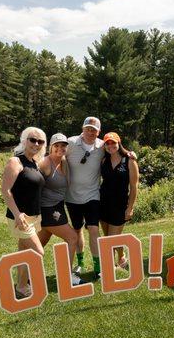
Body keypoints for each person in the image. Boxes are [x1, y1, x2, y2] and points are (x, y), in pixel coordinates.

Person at [1, 127, 46, 297]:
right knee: (37, 253)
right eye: (32, 140)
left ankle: (20, 286)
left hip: (34, 216)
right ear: (25, 140)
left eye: (40, 141)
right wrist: (17, 213)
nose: (36, 144)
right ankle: (22, 285)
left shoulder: (34, 163)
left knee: (24, 252)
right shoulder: (15, 162)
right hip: (21, 217)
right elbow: (6, 190)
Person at [37, 133, 84, 285]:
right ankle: (66, 277)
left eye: (63, 145)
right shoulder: (45, 163)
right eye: (56, 145)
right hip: (48, 209)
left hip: (58, 206)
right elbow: (33, 183)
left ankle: (26, 277)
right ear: (51, 147)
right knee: (72, 238)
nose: (60, 148)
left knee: (37, 246)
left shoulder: (64, 161)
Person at [65, 117, 106, 279]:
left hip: (92, 195)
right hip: (71, 196)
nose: (90, 132)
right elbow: (56, 156)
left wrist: (130, 154)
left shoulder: (102, 146)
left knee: (94, 230)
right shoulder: (71, 143)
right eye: (88, 128)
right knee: (77, 231)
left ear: (99, 132)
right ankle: (80, 264)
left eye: (94, 130)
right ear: (82, 128)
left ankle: (98, 267)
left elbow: (117, 151)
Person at [99, 132, 139, 268]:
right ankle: (121, 257)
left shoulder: (129, 160)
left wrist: (130, 207)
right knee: (109, 238)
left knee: (111, 239)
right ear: (104, 146)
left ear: (118, 143)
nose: (110, 146)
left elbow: (134, 187)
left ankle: (108, 268)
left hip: (120, 205)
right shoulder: (103, 160)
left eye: (113, 143)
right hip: (103, 203)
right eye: (107, 143)